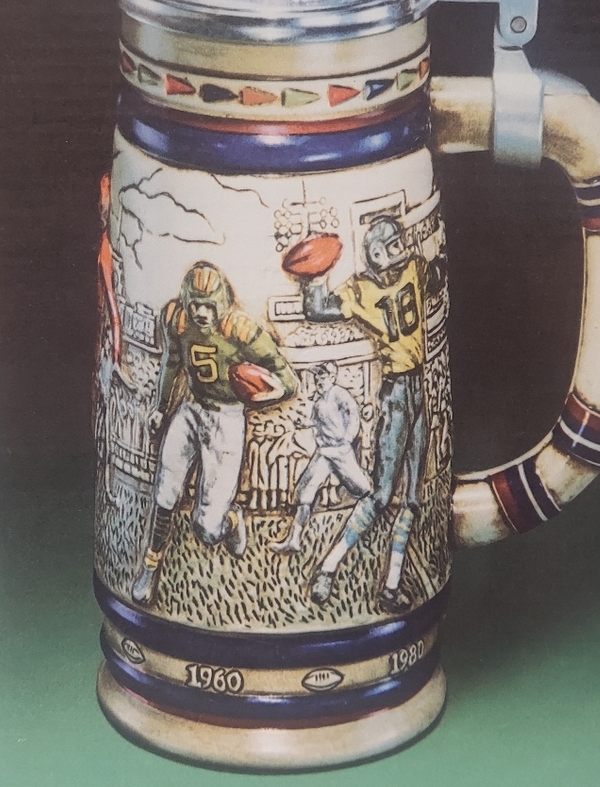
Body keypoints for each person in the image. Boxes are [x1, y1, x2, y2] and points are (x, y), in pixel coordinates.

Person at [293, 216, 444, 613]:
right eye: (392, 244)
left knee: (412, 499)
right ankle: (328, 567)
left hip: (415, 389)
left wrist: (314, 279)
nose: (401, 248)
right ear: (376, 253)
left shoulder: (406, 271)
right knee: (380, 495)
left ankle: (391, 585)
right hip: (397, 393)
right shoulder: (365, 288)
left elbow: (437, 276)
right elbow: (317, 310)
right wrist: (314, 273)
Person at [130, 261, 297, 606]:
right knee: (165, 492)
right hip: (191, 409)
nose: (201, 313)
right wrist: (161, 407)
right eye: (196, 305)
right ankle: (150, 566)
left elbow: (287, 378)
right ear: (186, 301)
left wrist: (268, 393)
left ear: (221, 303)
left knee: (206, 530)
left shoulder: (240, 329)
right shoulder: (177, 320)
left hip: (226, 419)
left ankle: (231, 520)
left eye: (209, 305)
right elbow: (172, 363)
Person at [270, 361, 371, 554]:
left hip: (340, 452)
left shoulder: (340, 395)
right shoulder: (318, 400)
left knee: (363, 489)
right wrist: (305, 424)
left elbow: (354, 415)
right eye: (317, 377)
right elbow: (316, 422)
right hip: (324, 452)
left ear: (332, 377)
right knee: (305, 492)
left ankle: (367, 529)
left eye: (322, 376)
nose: (318, 380)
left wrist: (347, 438)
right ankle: (294, 539)